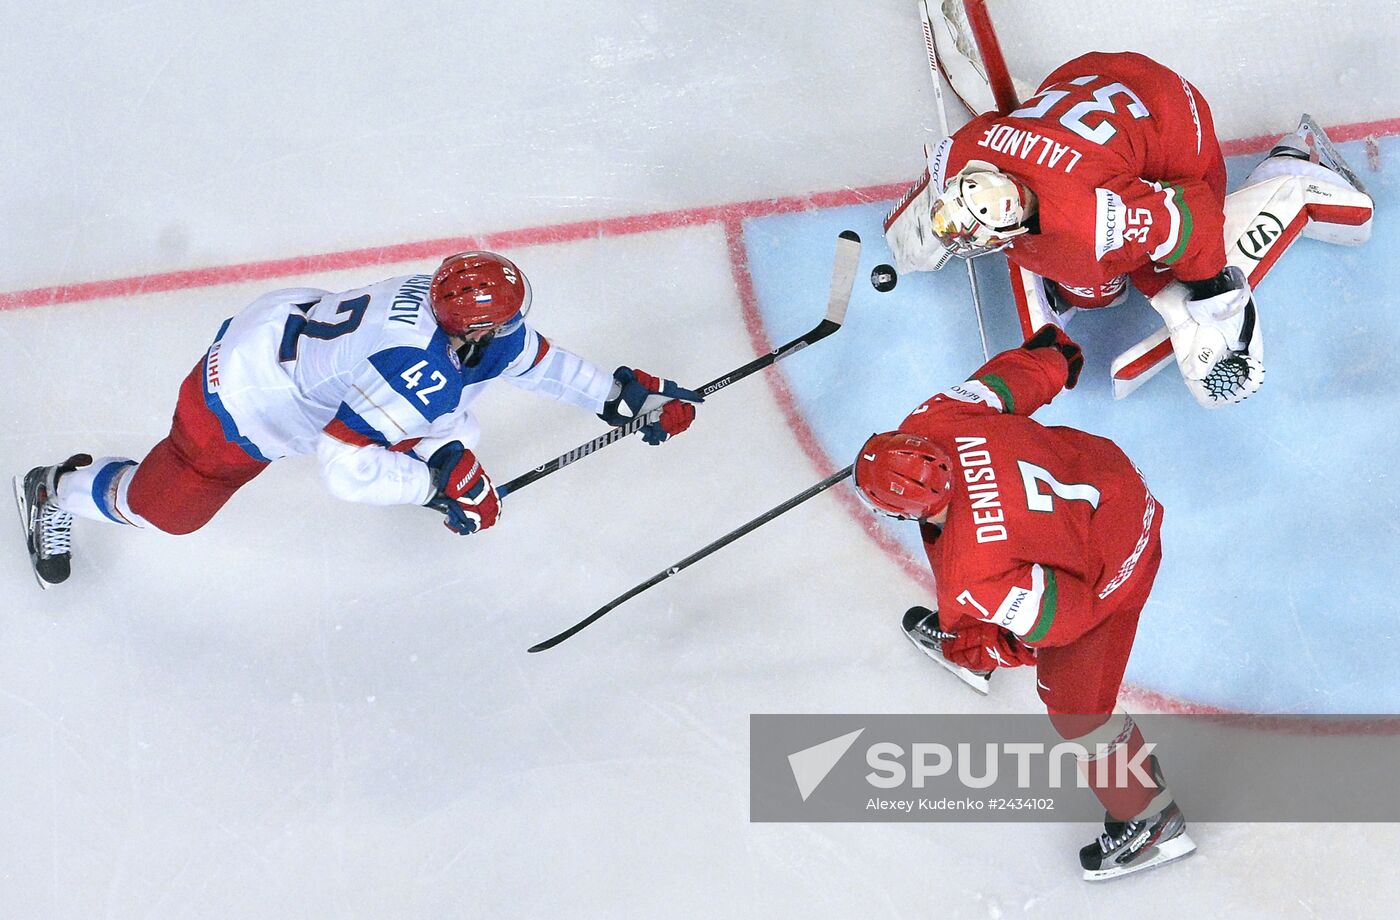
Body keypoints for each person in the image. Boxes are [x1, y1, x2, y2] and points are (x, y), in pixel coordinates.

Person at [15, 251, 699, 588]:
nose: (517, 330)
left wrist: (617, 396)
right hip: (236, 407)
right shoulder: (417, 370)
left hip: (281, 332)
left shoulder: (448, 312)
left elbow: (528, 359)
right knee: (167, 510)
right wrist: (435, 487)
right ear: (471, 332)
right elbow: (343, 468)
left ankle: (443, 463)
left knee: (452, 433)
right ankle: (56, 488)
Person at [853, 325, 1194, 881]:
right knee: (972, 583)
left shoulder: (974, 570)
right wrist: (1053, 359)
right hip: (1109, 478)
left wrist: (993, 642)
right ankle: (967, 640)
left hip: (1119, 563)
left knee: (1077, 712)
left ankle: (1153, 820)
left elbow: (1064, 621)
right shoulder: (930, 423)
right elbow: (1003, 385)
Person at [883, 51, 1373, 406]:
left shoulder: (1091, 221)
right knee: (1093, 275)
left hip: (1172, 116)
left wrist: (1207, 294)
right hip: (1094, 76)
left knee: (1106, 281)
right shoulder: (968, 153)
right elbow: (979, 143)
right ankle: (1105, 272)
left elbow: (1194, 216)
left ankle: (1294, 163)